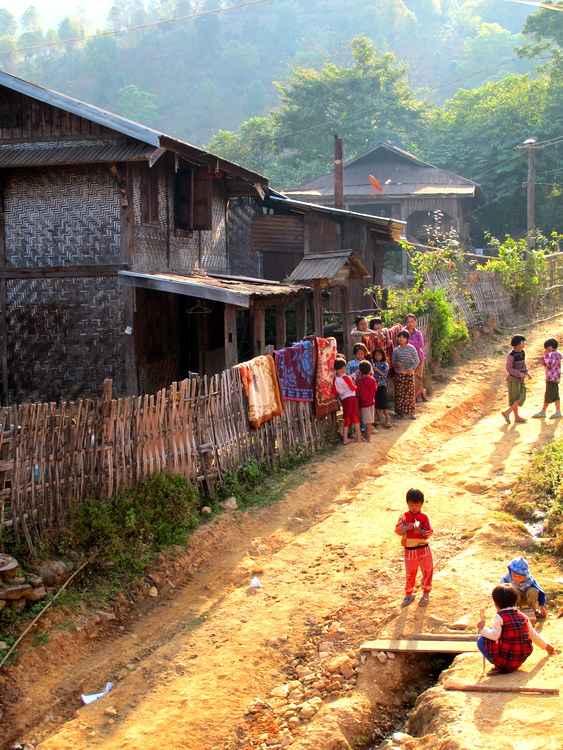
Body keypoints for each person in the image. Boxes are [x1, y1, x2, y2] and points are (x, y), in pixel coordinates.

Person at [477, 584, 555, 675]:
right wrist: (546, 646)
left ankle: (499, 666)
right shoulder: (522, 616)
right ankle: (509, 665)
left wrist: (482, 629)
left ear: (495, 603)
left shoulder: (499, 616)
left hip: (507, 661)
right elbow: (533, 634)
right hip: (521, 658)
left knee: (481, 640)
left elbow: (494, 636)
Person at [395, 488, 434, 607]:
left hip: (424, 548)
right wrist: (406, 528)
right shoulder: (404, 516)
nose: (414, 508)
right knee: (410, 572)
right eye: (411, 505)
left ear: (421, 504)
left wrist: (421, 531)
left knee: (427, 570)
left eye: (417, 505)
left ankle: (426, 593)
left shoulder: (424, 516)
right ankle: (409, 594)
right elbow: (397, 530)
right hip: (409, 549)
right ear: (407, 504)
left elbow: (429, 531)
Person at [501, 334, 531, 424]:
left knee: (520, 397)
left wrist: (526, 372)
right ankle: (511, 414)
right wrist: (519, 374)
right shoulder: (511, 356)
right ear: (518, 343)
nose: (524, 343)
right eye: (522, 341)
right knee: (517, 398)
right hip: (513, 380)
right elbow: (508, 369)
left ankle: (510, 414)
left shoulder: (522, 352)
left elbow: (523, 364)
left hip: (520, 379)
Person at [391, 330, 419, 419]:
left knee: (409, 393)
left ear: (407, 338)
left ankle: (411, 412)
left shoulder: (411, 348)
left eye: (403, 337)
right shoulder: (396, 350)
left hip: (409, 374)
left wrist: (412, 368)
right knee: (399, 393)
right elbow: (393, 362)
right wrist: (396, 364)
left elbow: (416, 360)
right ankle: (399, 412)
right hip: (399, 374)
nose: (401, 339)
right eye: (399, 337)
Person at [334, 358, 362, 444]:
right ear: (342, 368)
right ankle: (359, 438)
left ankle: (345, 439)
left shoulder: (335, 379)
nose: (345, 369)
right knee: (355, 417)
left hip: (344, 400)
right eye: (344, 367)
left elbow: (335, 391)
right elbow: (353, 388)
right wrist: (354, 385)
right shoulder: (345, 377)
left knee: (347, 419)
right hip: (352, 399)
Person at [533, 338, 563, 419]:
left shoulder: (554, 354)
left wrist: (545, 355)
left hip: (551, 378)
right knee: (555, 395)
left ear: (551, 347)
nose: (546, 349)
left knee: (548, 395)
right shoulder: (556, 354)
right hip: (554, 378)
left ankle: (543, 411)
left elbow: (549, 364)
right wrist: (545, 357)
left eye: (547, 348)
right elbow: (545, 364)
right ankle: (558, 411)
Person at [405, 313, 427, 402]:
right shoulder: (403, 332)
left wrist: (409, 342)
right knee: (409, 378)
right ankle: (420, 393)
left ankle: (418, 395)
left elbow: (421, 344)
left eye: (412, 321)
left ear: (415, 322)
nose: (410, 323)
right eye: (408, 322)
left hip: (419, 358)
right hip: (407, 358)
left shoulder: (418, 333)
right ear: (406, 323)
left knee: (418, 377)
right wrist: (414, 342)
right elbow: (402, 342)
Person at [356, 360, 377, 442]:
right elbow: (375, 389)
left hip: (364, 404)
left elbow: (357, 392)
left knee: (367, 421)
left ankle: (368, 437)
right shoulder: (373, 380)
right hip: (371, 402)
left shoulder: (359, 382)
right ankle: (368, 436)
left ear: (360, 371)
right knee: (370, 421)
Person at [372, 346, 392, 428]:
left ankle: (387, 420)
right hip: (374, 386)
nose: (377, 357)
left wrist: (377, 370)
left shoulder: (385, 364)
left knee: (384, 404)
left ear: (382, 356)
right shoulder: (372, 364)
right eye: (376, 355)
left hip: (382, 386)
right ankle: (379, 419)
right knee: (376, 404)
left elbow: (384, 376)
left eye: (379, 355)